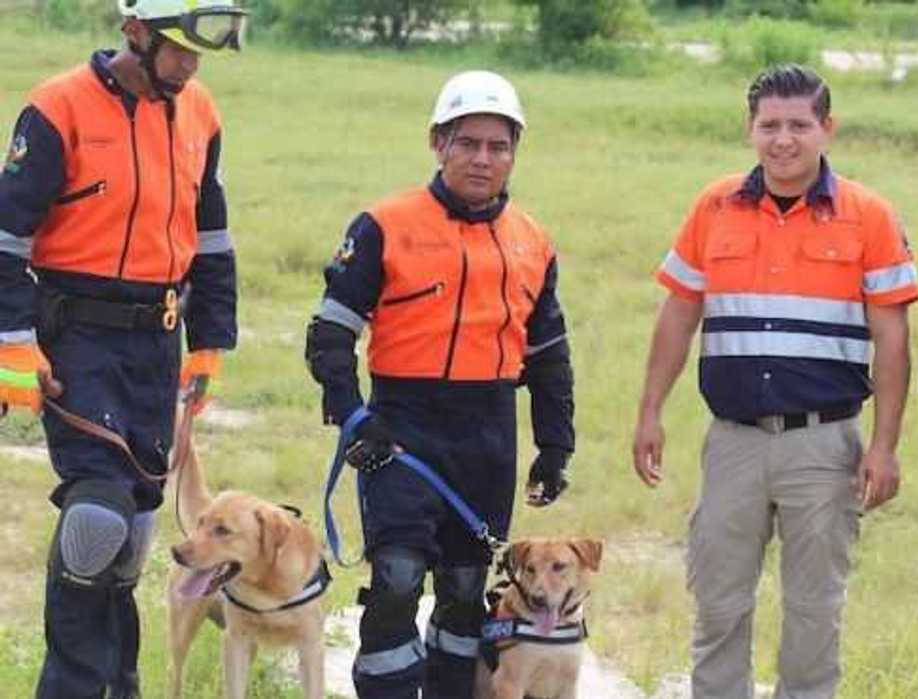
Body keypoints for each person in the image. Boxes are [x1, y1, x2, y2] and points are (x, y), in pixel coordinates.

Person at [631, 64, 918, 699]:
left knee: (814, 613)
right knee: (718, 604)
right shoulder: (714, 206)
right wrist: (650, 410)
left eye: (798, 125)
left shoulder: (868, 216)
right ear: (750, 129)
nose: (782, 140)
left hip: (822, 447)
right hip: (732, 443)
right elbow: (679, 313)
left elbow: (893, 342)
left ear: (827, 128)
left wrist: (884, 445)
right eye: (769, 126)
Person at [0, 0, 247, 696]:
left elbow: (214, 237)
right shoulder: (57, 108)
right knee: (95, 518)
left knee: (133, 537)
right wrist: (14, 341)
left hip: (158, 341)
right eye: (178, 49)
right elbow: (7, 237)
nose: (190, 65)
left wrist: (210, 343)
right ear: (134, 32)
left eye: (200, 54)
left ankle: (119, 681)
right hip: (76, 337)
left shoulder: (200, 111)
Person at [304, 70, 575, 699]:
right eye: (468, 142)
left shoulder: (534, 241)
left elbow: (551, 357)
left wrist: (555, 446)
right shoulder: (382, 224)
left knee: (463, 591)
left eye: (498, 146)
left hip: (488, 434)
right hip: (400, 427)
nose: (484, 158)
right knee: (397, 579)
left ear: (514, 153)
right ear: (438, 143)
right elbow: (330, 335)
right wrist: (351, 418)